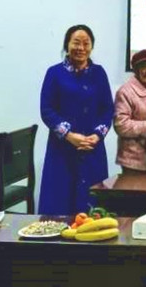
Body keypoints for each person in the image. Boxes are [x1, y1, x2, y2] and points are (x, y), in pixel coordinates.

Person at [38, 24, 114, 215]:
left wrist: (97, 136)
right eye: (76, 43)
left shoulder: (99, 73)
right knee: (59, 203)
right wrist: (69, 135)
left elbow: (107, 109)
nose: (81, 48)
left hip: (92, 148)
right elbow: (47, 110)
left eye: (86, 43)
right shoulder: (54, 73)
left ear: (92, 47)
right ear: (67, 45)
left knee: (92, 207)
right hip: (62, 150)